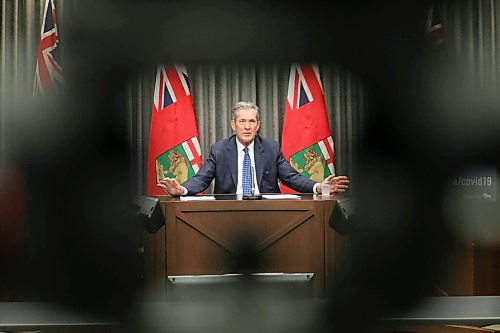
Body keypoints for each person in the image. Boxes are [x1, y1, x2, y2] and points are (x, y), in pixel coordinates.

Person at [158, 101, 349, 196]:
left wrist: (318, 187)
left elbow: (291, 178)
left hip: (267, 214)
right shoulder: (220, 149)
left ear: (258, 125)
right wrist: (182, 190)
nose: (247, 126)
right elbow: (201, 179)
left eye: (251, 121)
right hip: (226, 215)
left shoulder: (271, 148)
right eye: (242, 121)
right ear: (234, 124)